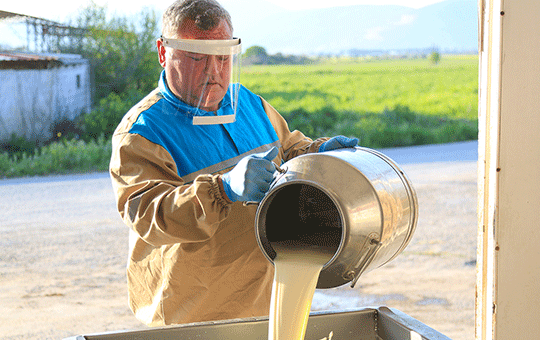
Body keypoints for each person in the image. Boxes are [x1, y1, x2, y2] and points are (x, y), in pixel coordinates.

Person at [109, 0, 358, 326]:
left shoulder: (250, 105)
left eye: (224, 58)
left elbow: (289, 149)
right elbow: (148, 215)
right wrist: (222, 189)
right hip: (192, 314)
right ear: (163, 52)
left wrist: (319, 152)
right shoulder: (142, 133)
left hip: (267, 301)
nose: (213, 71)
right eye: (197, 58)